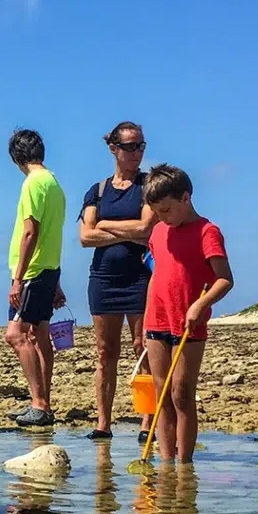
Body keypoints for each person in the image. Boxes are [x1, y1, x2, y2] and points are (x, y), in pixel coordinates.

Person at [142, 164, 234, 463]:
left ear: (186, 198)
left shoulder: (207, 232)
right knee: (162, 393)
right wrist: (144, 322)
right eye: (157, 212)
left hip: (188, 323)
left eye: (167, 210)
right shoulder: (158, 232)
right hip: (157, 319)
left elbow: (224, 279)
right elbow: (156, 277)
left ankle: (184, 464)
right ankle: (167, 462)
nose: (163, 218)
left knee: (181, 393)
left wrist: (200, 304)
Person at [78, 121, 157, 441]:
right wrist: (128, 228)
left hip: (140, 277)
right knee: (105, 352)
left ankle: (146, 421)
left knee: (144, 349)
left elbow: (147, 230)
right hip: (104, 280)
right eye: (130, 146)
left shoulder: (148, 185)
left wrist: (106, 227)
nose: (136, 152)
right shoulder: (97, 190)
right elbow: (85, 237)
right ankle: (103, 423)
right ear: (114, 148)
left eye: (141, 146)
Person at [4, 128, 67, 428]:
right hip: (47, 269)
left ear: (17, 157)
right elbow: (54, 235)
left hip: (32, 271)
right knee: (39, 336)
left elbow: (32, 231)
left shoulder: (33, 183)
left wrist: (17, 278)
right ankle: (44, 403)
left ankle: (39, 403)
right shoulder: (54, 183)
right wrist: (55, 280)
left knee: (15, 335)